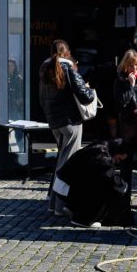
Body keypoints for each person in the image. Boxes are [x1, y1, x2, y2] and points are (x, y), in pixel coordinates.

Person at [38, 39, 95, 216]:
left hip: (55, 122)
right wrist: (91, 90)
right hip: (71, 122)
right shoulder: (68, 69)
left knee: (62, 162)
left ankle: (53, 201)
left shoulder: (44, 69)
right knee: (68, 165)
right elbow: (85, 97)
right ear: (67, 52)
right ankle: (59, 206)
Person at [54, 139, 133, 228]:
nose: (119, 162)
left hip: (62, 183)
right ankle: (83, 219)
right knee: (104, 189)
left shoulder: (102, 145)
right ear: (117, 152)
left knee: (96, 182)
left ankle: (72, 208)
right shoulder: (103, 158)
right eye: (119, 159)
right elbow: (104, 181)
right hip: (66, 187)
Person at [112, 50, 137, 208]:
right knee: (125, 165)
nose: (134, 68)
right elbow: (121, 103)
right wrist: (131, 86)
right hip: (127, 128)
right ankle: (124, 196)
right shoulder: (120, 82)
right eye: (131, 65)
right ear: (125, 66)